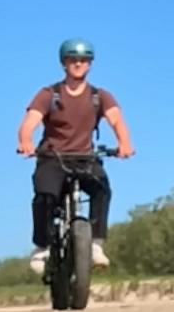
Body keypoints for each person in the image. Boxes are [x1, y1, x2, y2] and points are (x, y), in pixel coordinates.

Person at [16, 42, 130, 269]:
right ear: (64, 63)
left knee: (101, 188)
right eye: (72, 59)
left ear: (90, 64)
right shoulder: (49, 94)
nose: (78, 64)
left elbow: (116, 119)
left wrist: (124, 143)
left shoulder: (99, 96)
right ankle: (42, 247)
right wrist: (26, 141)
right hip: (53, 158)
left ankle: (96, 244)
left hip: (85, 157)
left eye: (84, 60)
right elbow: (30, 121)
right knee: (45, 196)